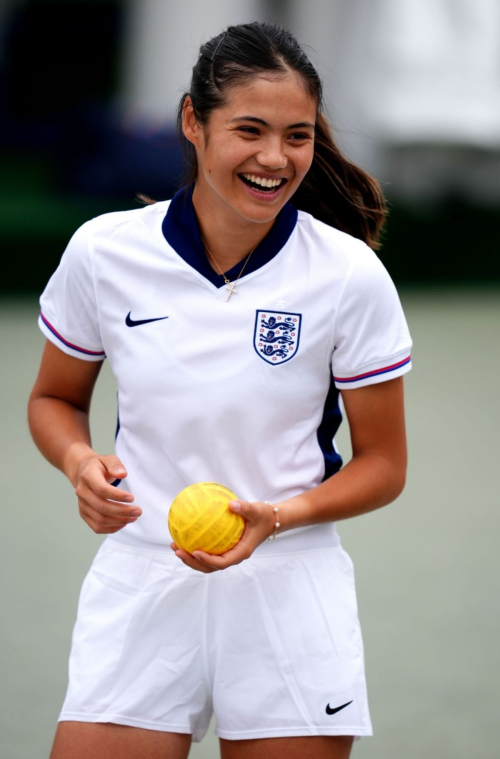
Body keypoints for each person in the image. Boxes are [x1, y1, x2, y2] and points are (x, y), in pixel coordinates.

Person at [28, 21, 412, 759]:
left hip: (290, 589)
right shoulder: (105, 250)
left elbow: (383, 467)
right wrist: (79, 462)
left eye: (297, 135)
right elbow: (54, 399)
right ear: (191, 122)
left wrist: (279, 514)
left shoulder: (349, 275)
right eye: (249, 130)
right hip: (141, 579)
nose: (275, 158)